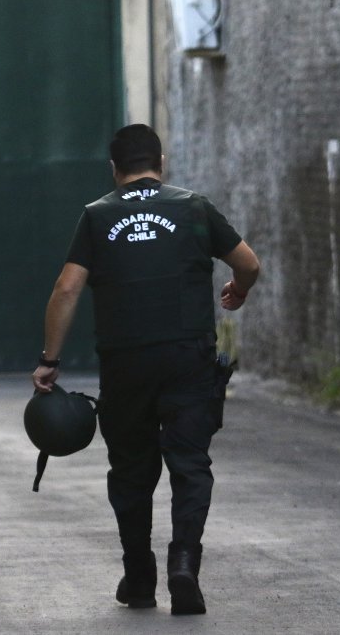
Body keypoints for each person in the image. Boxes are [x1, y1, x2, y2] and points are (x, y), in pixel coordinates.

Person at [31, 124, 260, 615]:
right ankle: (184, 565)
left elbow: (67, 289)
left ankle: (138, 576)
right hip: (188, 359)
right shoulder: (195, 208)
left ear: (114, 169)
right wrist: (238, 291)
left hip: (125, 363)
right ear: (161, 160)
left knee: (132, 469)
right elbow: (249, 263)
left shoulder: (96, 217)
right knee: (189, 463)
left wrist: (50, 361)